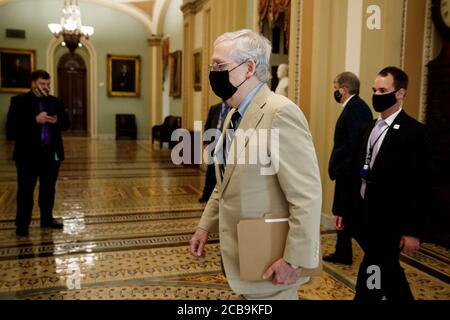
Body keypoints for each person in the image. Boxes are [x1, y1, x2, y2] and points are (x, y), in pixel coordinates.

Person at [189, 29, 322, 300]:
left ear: (249, 68)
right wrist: (205, 226)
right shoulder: (232, 117)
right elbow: (224, 183)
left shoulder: (280, 113)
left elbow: (306, 196)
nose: (213, 73)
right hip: (243, 257)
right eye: (212, 67)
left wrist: (294, 261)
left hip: (273, 264)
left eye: (220, 66)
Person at [342, 67, 431, 300]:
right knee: (386, 268)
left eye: (383, 90)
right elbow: (353, 171)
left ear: (400, 93)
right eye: (374, 90)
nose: (376, 95)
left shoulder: (415, 133)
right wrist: (342, 208)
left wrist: (413, 231)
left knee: (376, 265)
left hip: (390, 219)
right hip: (364, 216)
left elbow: (420, 186)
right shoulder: (369, 128)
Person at [6, 69, 70, 237]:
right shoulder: (19, 101)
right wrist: (35, 120)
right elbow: (11, 130)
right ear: (33, 83)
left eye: (48, 84)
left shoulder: (55, 102)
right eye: (42, 84)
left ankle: (46, 219)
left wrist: (57, 121)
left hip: (52, 154)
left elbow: (66, 124)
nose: (45, 87)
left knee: (48, 190)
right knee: (26, 191)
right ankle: (22, 225)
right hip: (27, 155)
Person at [323, 72, 372, 265]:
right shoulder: (354, 107)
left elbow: (354, 145)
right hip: (346, 172)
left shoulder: (356, 109)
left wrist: (343, 169)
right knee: (344, 215)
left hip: (349, 174)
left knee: (349, 216)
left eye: (336, 88)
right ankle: (342, 252)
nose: (335, 92)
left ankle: (374, 253)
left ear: (343, 89)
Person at [198, 102, 231, 203]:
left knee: (223, 172)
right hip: (213, 143)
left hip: (226, 144)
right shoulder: (214, 108)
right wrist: (206, 142)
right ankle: (206, 195)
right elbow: (207, 125)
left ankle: (223, 197)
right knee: (210, 171)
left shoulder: (234, 108)